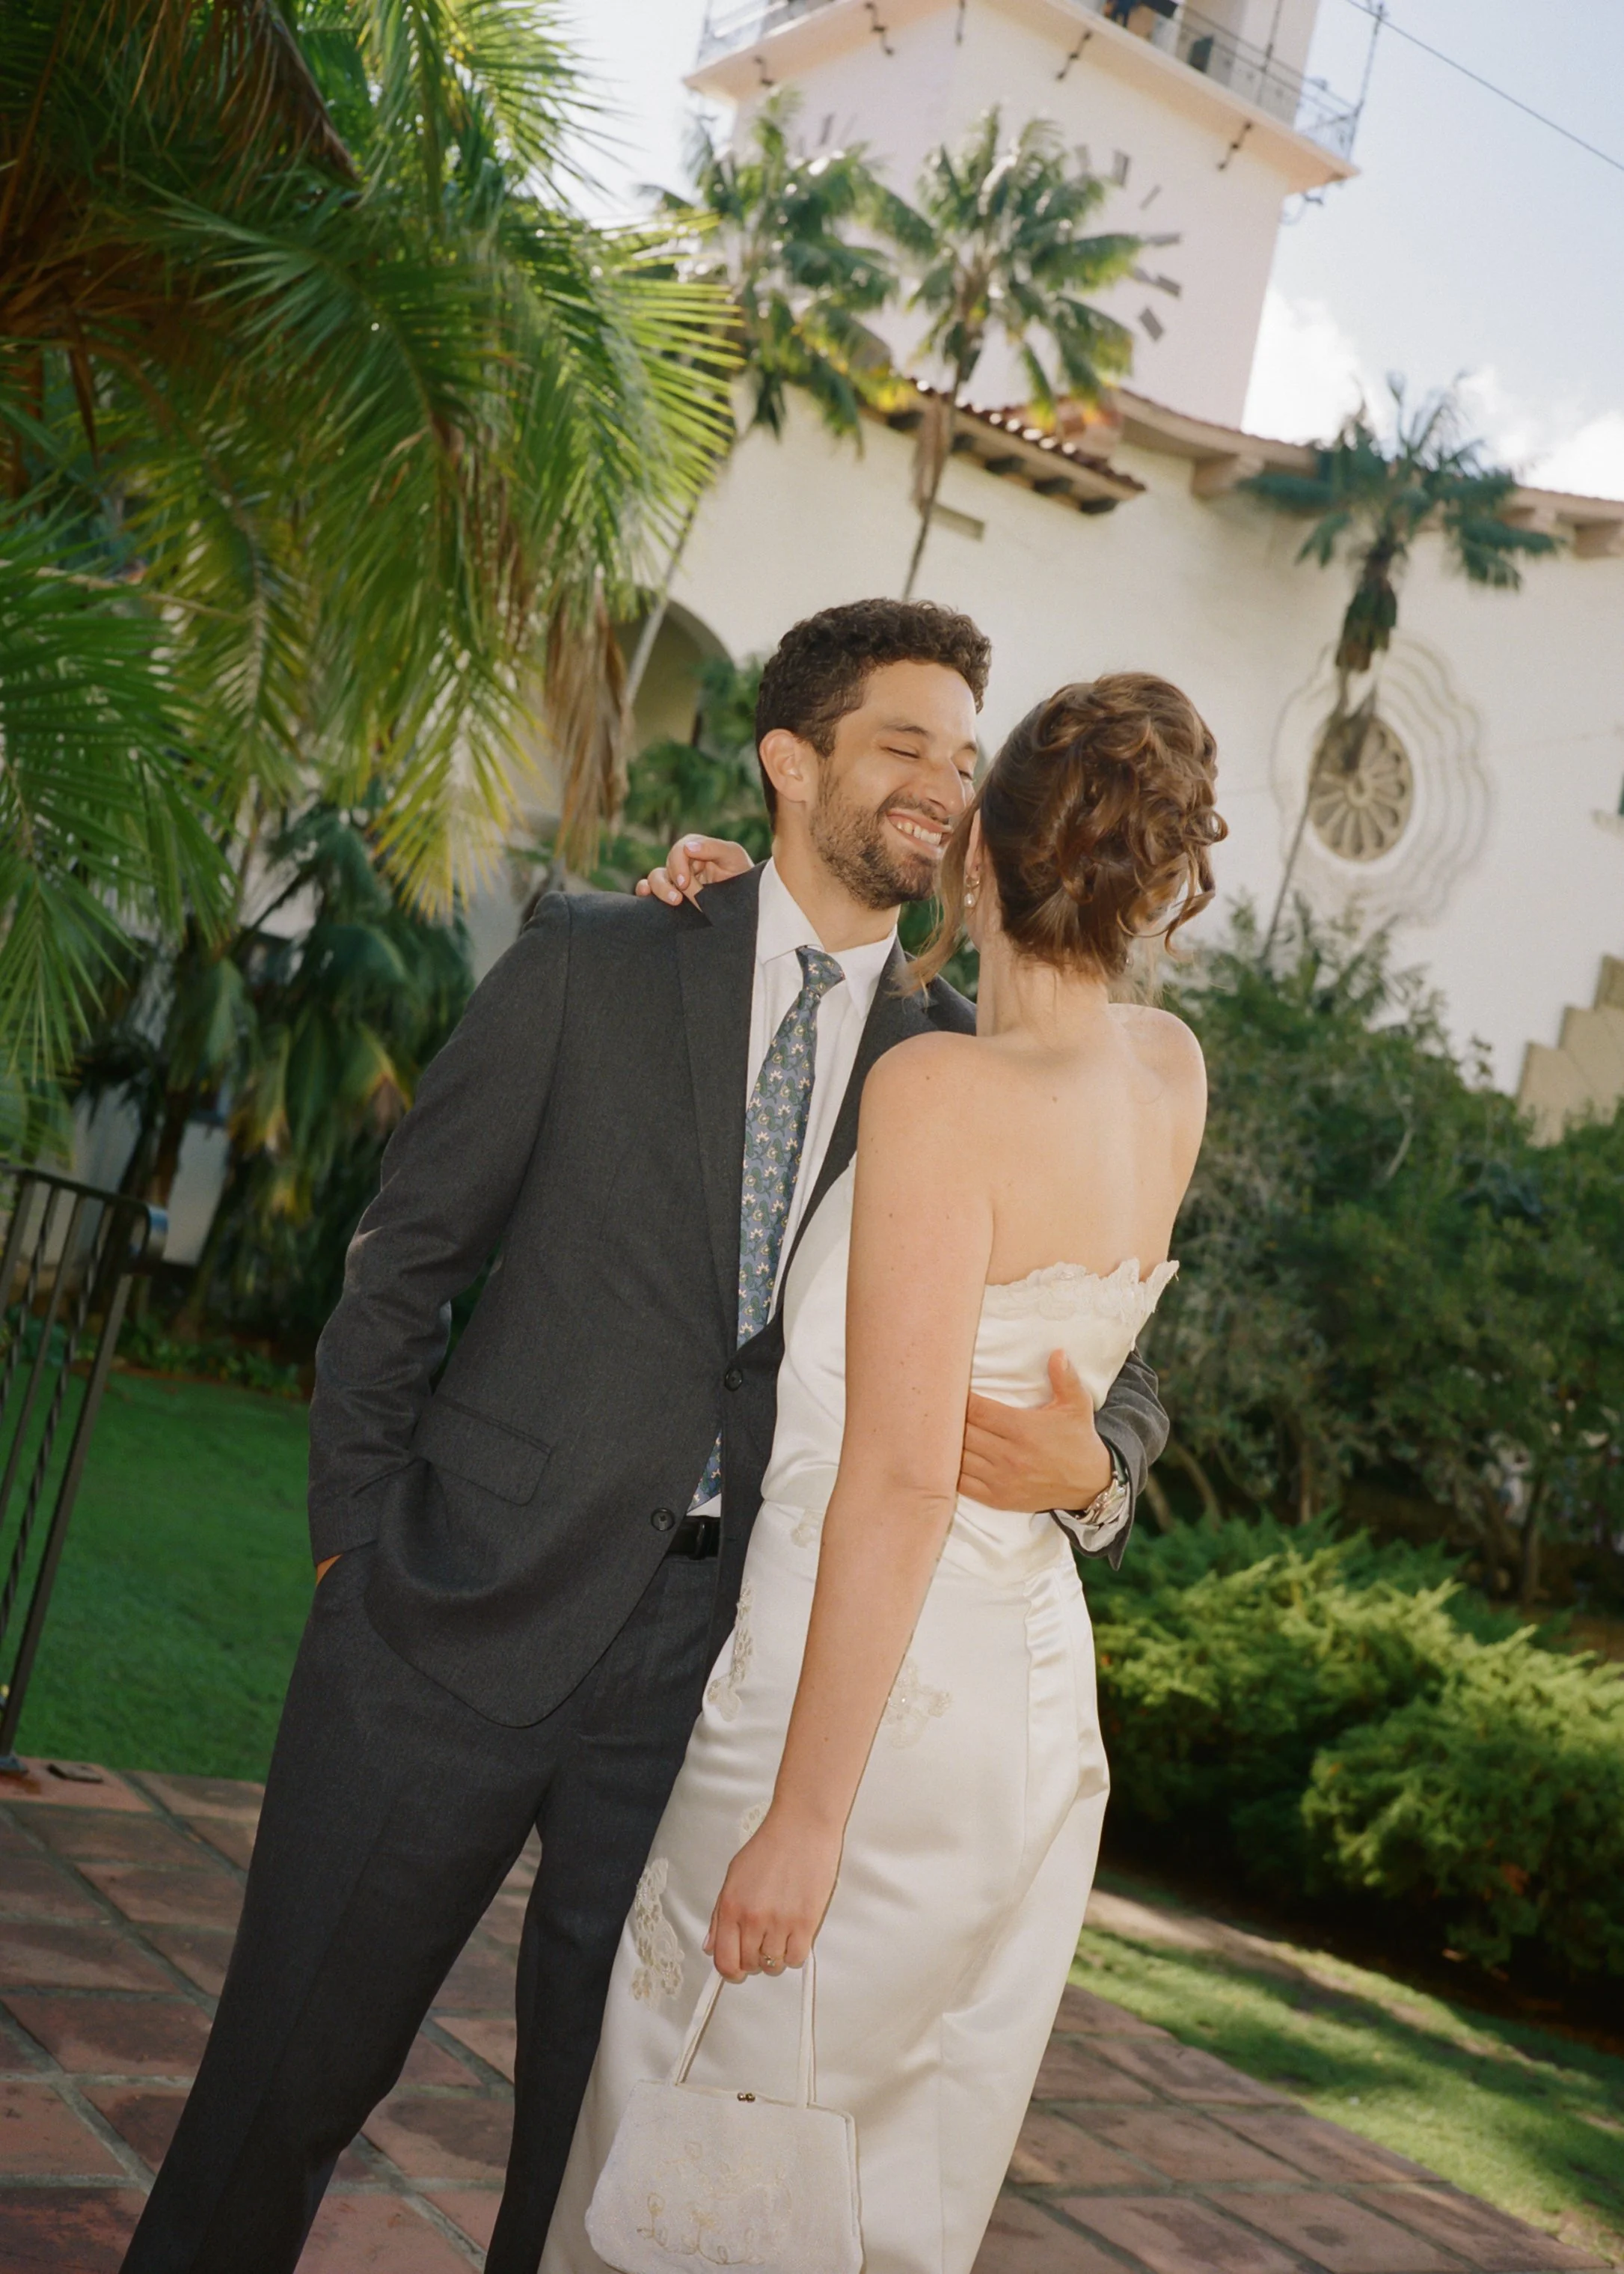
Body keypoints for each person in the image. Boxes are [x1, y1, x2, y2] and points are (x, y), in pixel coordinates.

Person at [123, 602, 1169, 2274]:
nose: (941, 786)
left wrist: (1101, 1474)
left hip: (709, 1687)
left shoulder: (950, 1066)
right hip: (443, 1627)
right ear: (787, 760)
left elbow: (1090, 1340)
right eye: (902, 744)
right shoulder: (596, 953)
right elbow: (402, 1262)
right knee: (280, 2090)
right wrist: (353, 1547)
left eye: (965, 762)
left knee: (583, 2164)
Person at [542, 670, 1222, 2274]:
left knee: (705, 2138)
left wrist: (804, 1819)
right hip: (1030, 1710)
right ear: (1152, 887)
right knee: (889, 2153)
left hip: (857, 1710)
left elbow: (902, 1482)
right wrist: (741, 897)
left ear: (978, 850)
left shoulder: (938, 1097)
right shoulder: (1166, 1071)